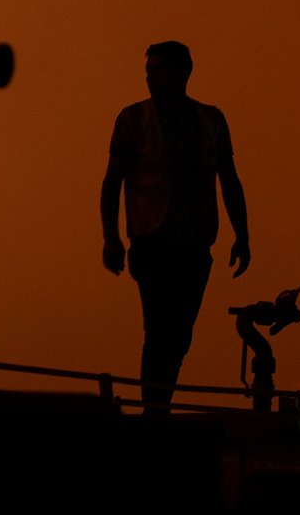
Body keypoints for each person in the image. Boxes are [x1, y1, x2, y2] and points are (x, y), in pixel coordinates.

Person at [100, 41, 250, 414]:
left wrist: (242, 235)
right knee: (160, 327)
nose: (151, 79)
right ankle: (155, 409)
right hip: (152, 240)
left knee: (180, 333)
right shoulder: (132, 119)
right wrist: (111, 237)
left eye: (159, 71)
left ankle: (157, 402)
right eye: (148, 71)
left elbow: (229, 179)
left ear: (183, 73)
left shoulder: (211, 120)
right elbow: (111, 182)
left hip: (195, 242)